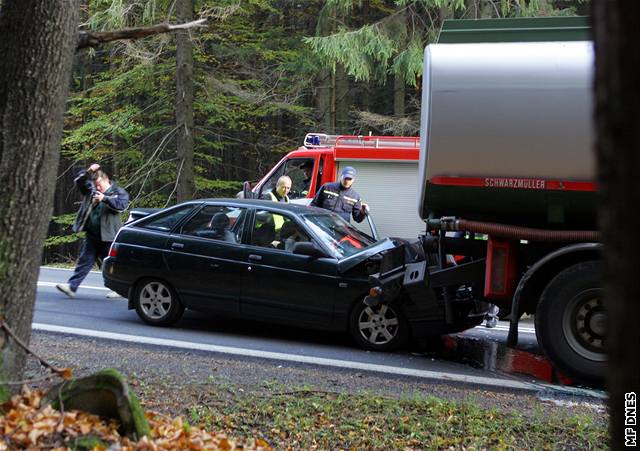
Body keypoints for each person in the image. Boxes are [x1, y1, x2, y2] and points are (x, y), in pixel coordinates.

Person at [56, 163, 129, 299]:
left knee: (110, 264)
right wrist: (87, 171)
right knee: (85, 261)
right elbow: (79, 181)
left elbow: (121, 206)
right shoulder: (92, 190)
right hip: (93, 235)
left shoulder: (118, 192)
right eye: (96, 185)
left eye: (100, 185)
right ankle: (72, 287)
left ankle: (118, 289)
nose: (98, 188)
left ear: (106, 180)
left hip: (109, 236)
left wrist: (104, 199)